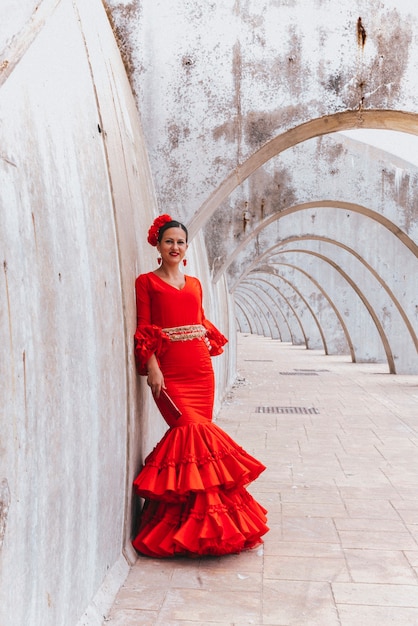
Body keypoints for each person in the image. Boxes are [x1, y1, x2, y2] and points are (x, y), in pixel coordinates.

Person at [132, 214, 268, 557]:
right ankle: (189, 529)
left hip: (199, 369)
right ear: (158, 246)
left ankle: (209, 529)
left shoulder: (194, 283)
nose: (175, 247)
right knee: (190, 433)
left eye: (180, 242)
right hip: (170, 371)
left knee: (200, 448)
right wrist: (153, 368)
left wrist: (211, 339)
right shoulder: (146, 282)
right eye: (169, 241)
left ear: (186, 247)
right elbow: (145, 326)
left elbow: (198, 320)